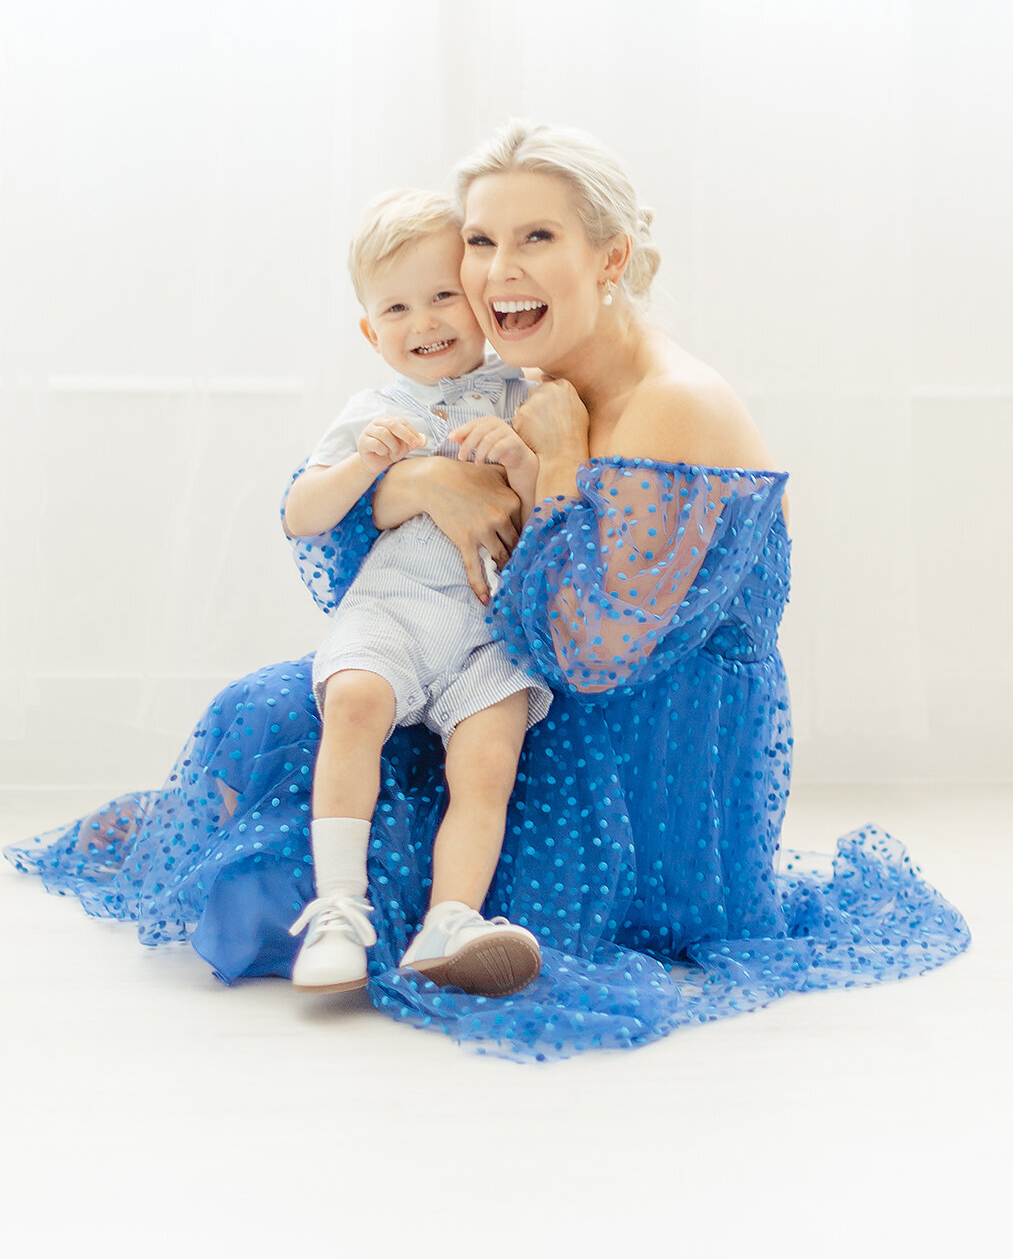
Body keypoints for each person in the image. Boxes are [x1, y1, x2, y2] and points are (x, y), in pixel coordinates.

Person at [4, 120, 970, 1064]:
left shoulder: (668, 402)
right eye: (480, 240)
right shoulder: (523, 374)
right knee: (271, 714)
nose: (497, 269)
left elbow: (582, 646)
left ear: (609, 256)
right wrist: (417, 480)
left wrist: (556, 459)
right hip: (512, 678)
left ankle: (400, 907)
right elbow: (343, 514)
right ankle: (249, 857)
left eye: (536, 237)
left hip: (636, 749)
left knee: (344, 823)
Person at [282, 187, 549, 996]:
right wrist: (369, 464)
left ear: (477, 299)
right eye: (396, 307)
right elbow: (302, 514)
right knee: (355, 701)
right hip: (395, 614)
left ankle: (451, 919)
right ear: (370, 331)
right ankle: (338, 907)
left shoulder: (525, 394)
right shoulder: (376, 409)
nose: (425, 322)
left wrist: (522, 459)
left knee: (489, 757)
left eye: (442, 296)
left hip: (487, 631)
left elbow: (558, 516)